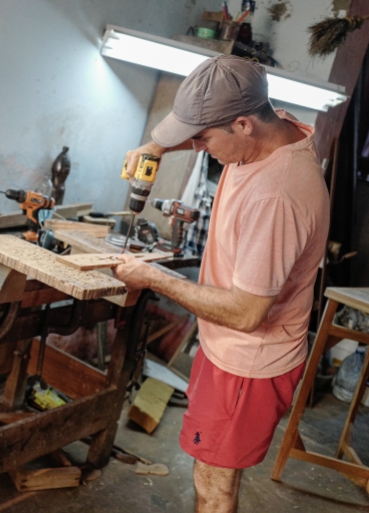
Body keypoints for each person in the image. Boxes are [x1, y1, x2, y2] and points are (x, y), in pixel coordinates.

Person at [113, 55, 330, 513]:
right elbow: (211, 134)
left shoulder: (278, 196)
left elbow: (247, 313)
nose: (202, 147)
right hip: (228, 351)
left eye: (206, 137)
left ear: (243, 124)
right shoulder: (276, 130)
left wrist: (153, 277)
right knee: (208, 471)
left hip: (247, 364)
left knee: (214, 485)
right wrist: (157, 146)